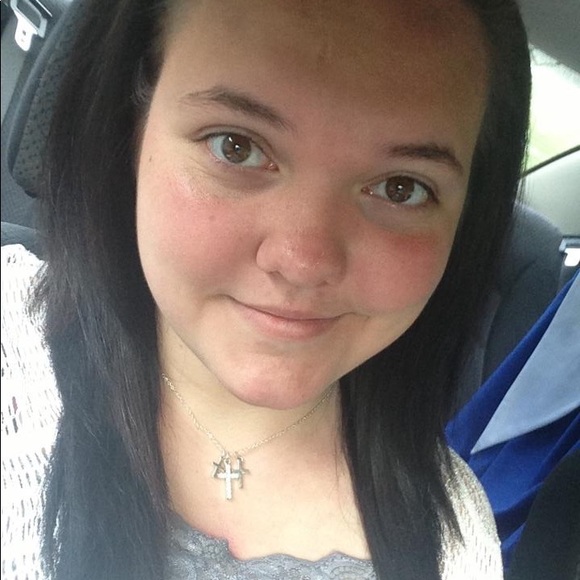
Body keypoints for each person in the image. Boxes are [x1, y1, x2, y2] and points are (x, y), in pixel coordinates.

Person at [0, 0, 532, 578]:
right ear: (131, 131)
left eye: (401, 188)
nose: (302, 263)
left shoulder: (459, 537)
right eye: (236, 146)